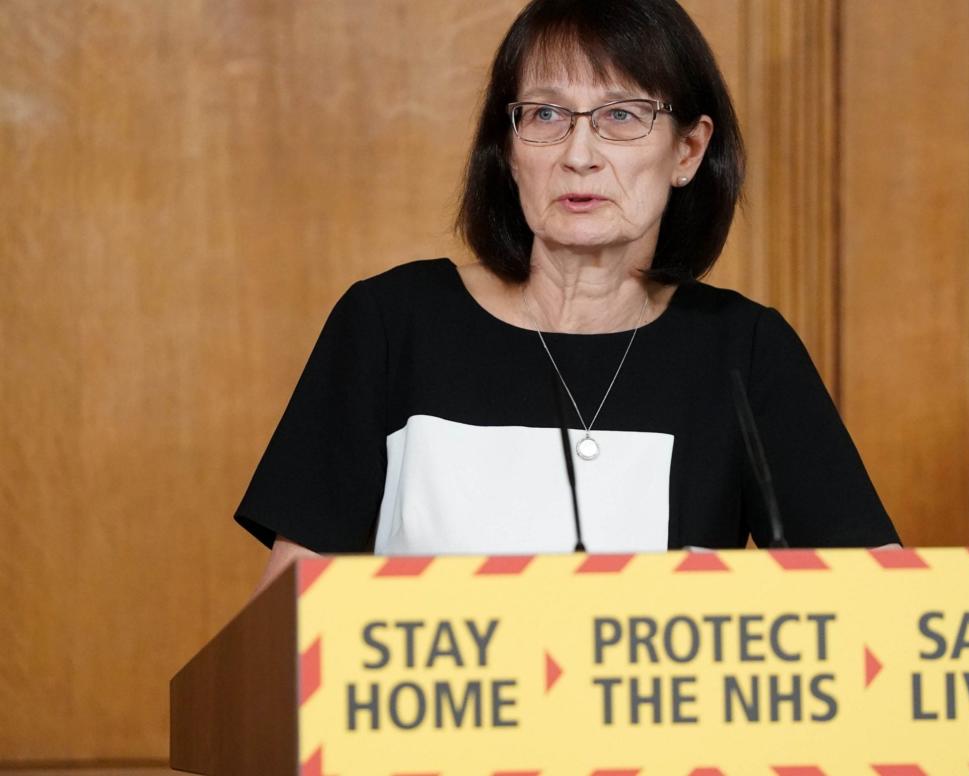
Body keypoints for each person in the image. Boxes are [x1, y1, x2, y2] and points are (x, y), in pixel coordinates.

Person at [238, 0, 900, 592]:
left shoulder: (742, 351)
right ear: (509, 146)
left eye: (620, 115)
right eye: (547, 114)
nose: (579, 154)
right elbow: (284, 623)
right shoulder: (393, 323)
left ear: (688, 151)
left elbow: (885, 602)